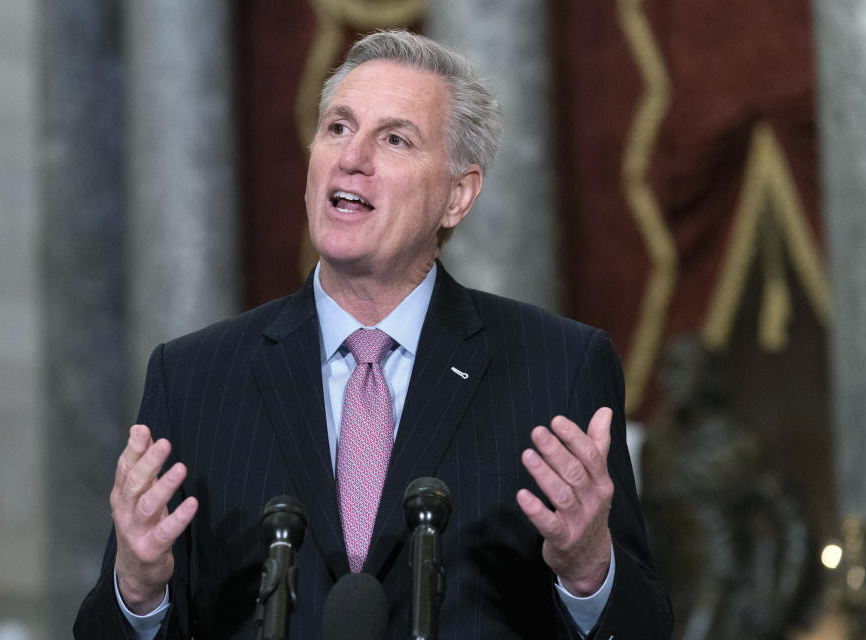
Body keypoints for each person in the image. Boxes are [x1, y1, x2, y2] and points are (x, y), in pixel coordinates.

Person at [74, 29, 672, 639]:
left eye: (394, 139)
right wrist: (138, 592)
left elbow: (645, 627)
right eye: (337, 127)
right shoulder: (194, 379)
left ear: (457, 196)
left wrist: (589, 571)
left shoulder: (558, 368)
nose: (351, 156)